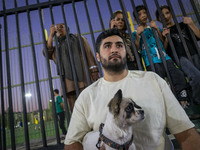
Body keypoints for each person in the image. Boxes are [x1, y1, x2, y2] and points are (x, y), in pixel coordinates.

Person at [64, 28, 200, 150]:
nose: (114, 49)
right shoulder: (86, 96)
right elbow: (72, 143)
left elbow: (186, 133)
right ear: (98, 56)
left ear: (125, 51)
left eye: (119, 45)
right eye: (107, 46)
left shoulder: (153, 80)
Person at [132, 5, 189, 107]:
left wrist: (157, 30)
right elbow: (136, 49)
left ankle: (183, 102)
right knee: (158, 83)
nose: (143, 15)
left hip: (164, 57)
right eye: (140, 14)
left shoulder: (154, 27)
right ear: (136, 19)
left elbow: (162, 43)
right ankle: (165, 106)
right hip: (151, 61)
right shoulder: (135, 32)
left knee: (178, 75)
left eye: (145, 13)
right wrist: (138, 35)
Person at [43, 23, 99, 112]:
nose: (59, 29)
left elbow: (89, 54)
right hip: (68, 86)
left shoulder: (78, 38)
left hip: (84, 81)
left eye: (62, 27)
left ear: (67, 29)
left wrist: (94, 71)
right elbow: (46, 52)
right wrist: (50, 35)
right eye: (56, 29)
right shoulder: (56, 50)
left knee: (92, 109)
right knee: (76, 113)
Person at [155, 5, 200, 104]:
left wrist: (192, 24)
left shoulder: (183, 25)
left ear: (171, 14)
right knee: (196, 77)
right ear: (158, 19)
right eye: (162, 15)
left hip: (195, 53)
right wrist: (166, 37)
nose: (166, 16)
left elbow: (198, 36)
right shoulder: (163, 32)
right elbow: (164, 50)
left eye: (167, 13)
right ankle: (197, 102)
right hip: (181, 58)